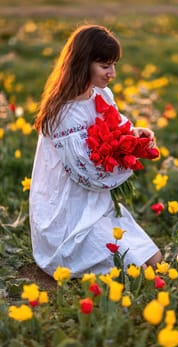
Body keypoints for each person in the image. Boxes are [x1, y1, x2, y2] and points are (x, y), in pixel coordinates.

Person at [29, 24, 162, 278]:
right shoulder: (63, 113)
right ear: (83, 63)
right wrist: (127, 160)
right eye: (105, 66)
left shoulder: (101, 93)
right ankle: (71, 250)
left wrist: (134, 135)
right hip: (69, 212)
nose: (112, 73)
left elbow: (116, 125)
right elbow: (86, 173)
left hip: (96, 204)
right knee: (141, 272)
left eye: (114, 64)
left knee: (155, 259)